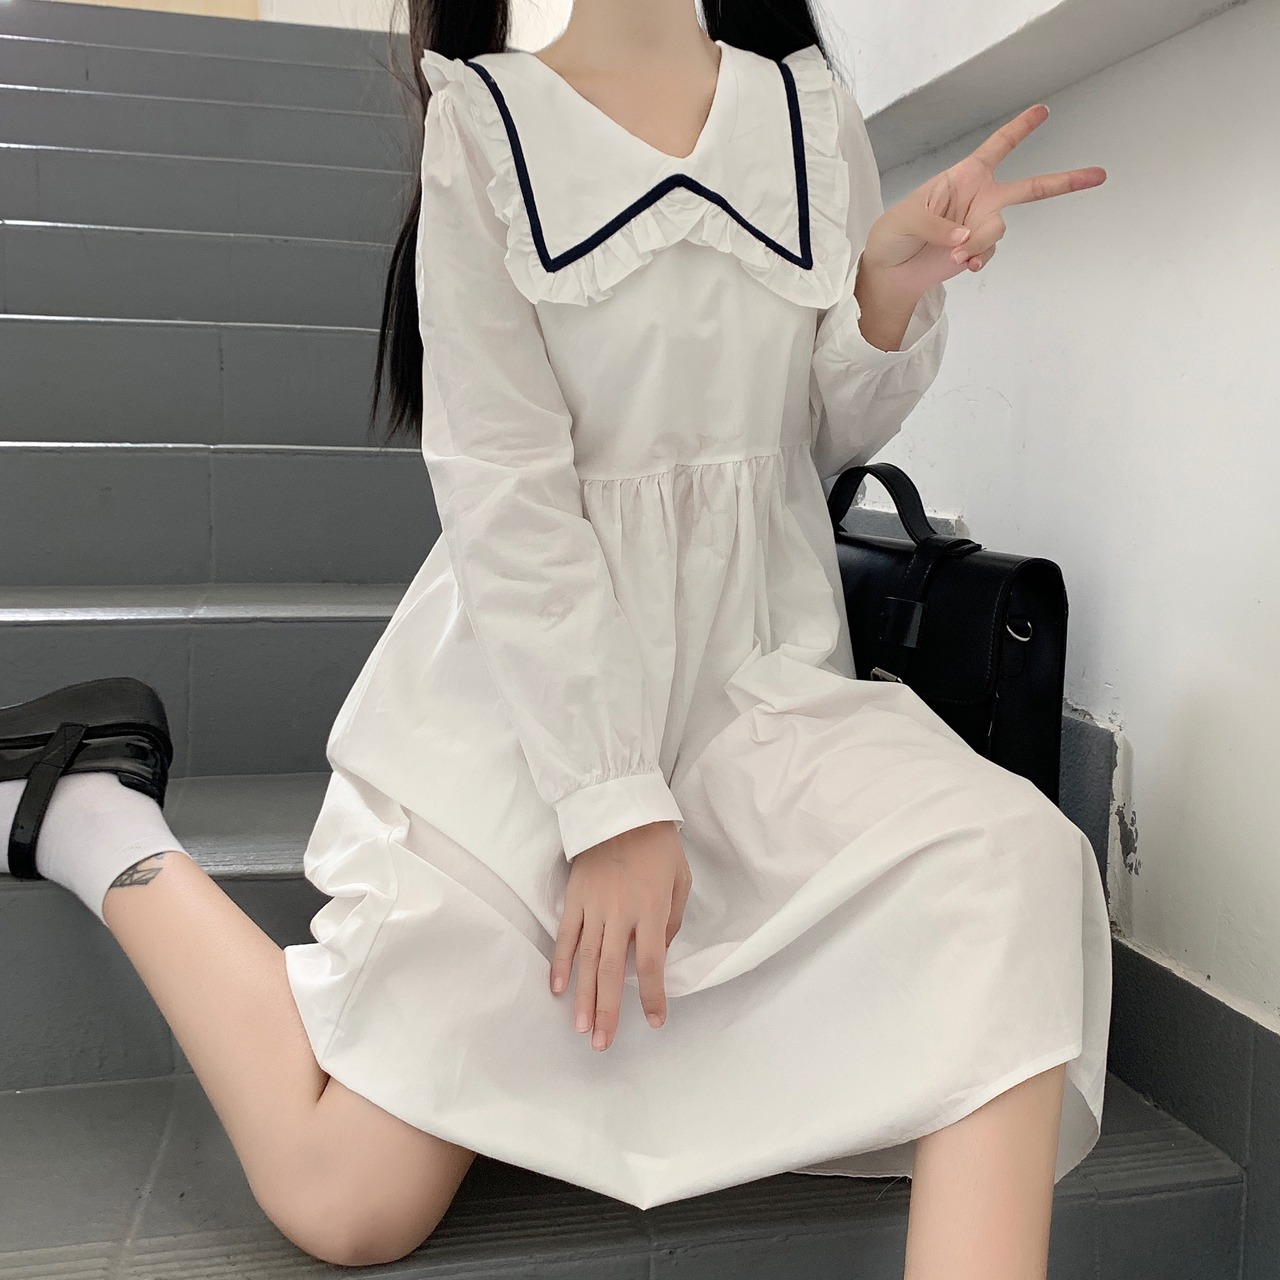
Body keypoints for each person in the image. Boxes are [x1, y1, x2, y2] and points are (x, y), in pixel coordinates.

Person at [0, 0, 1113, 1274]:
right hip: (542, 717)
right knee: (347, 1197)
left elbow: (808, 445)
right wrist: (612, 803)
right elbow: (505, 493)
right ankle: (95, 818)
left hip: (761, 693)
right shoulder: (483, 124)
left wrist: (885, 289)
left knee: (1017, 859)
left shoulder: (808, 114)